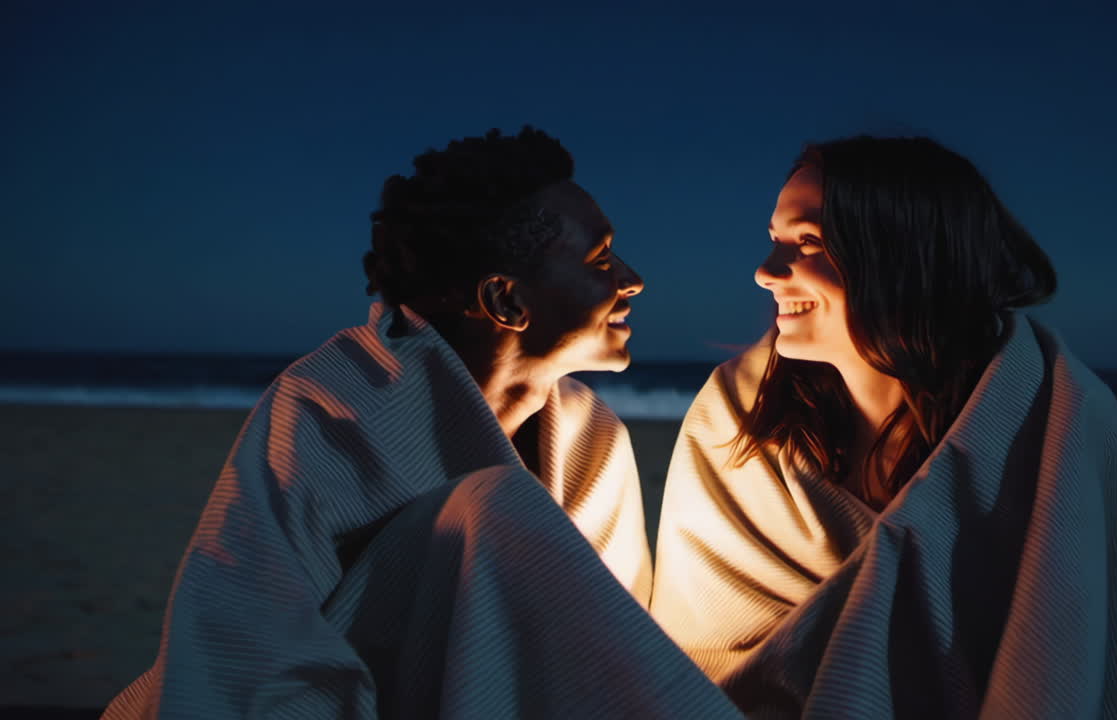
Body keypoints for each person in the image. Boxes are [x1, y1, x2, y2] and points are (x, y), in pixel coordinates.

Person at [103, 127, 739, 718]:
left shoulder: (591, 436)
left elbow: (599, 650)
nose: (633, 280)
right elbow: (237, 649)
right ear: (506, 300)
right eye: (601, 259)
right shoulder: (334, 406)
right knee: (493, 503)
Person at [650, 135, 1117, 717]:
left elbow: (1096, 652)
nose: (765, 272)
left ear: (900, 255)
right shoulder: (736, 420)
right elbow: (701, 662)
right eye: (775, 240)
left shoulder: (1063, 422)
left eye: (808, 242)